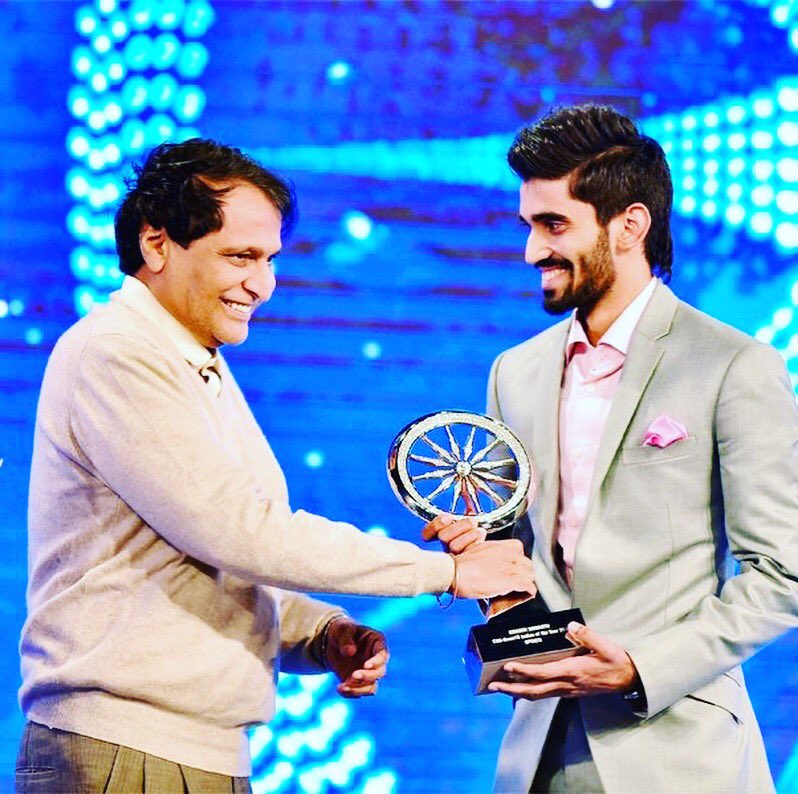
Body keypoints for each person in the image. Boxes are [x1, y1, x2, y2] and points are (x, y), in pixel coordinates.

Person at [17, 138, 534, 792]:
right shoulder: (119, 352)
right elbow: (242, 532)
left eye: (269, 260)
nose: (261, 284)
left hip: (193, 751)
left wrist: (317, 634)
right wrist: (448, 570)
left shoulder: (194, 359)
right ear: (156, 245)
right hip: (126, 751)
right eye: (240, 256)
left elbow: (208, 561)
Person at [426, 105, 798, 792]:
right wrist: (481, 565)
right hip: (539, 745)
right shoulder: (516, 370)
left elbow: (783, 574)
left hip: (678, 748)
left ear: (630, 226)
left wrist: (641, 666)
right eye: (528, 226)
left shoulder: (731, 365)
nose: (533, 250)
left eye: (554, 225)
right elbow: (512, 550)